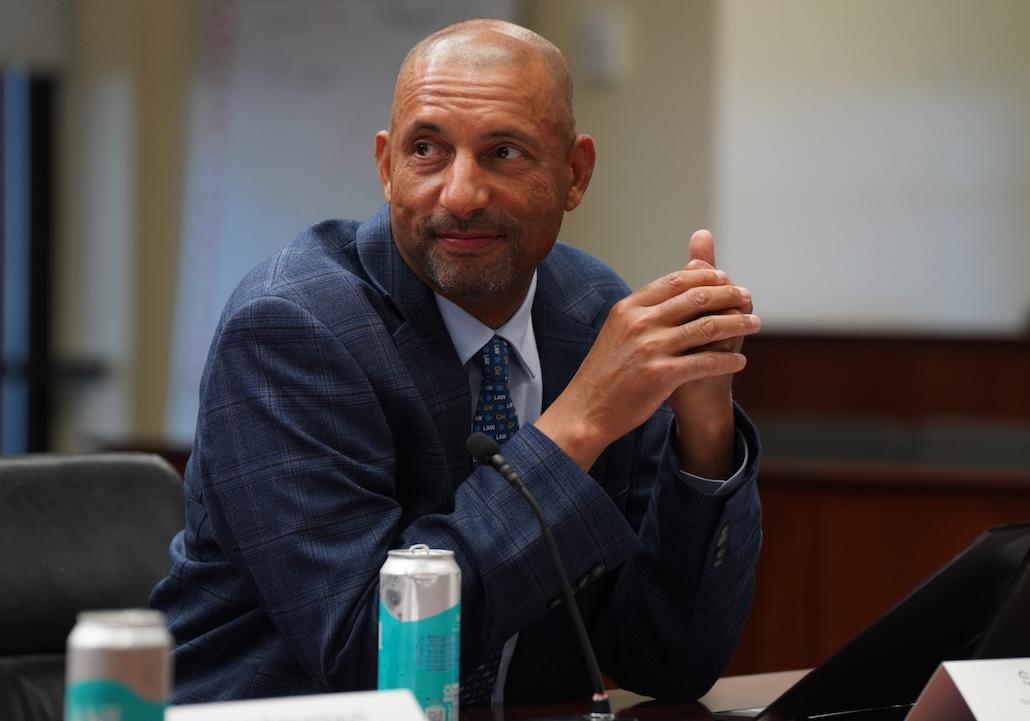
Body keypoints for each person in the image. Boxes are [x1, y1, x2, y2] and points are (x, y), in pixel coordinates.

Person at [151, 18, 763, 707]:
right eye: (427, 150)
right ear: (386, 167)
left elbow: (668, 659)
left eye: (503, 152)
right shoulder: (290, 329)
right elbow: (370, 656)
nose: (461, 193)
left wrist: (704, 437)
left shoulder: (590, 312)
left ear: (576, 173)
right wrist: (578, 424)